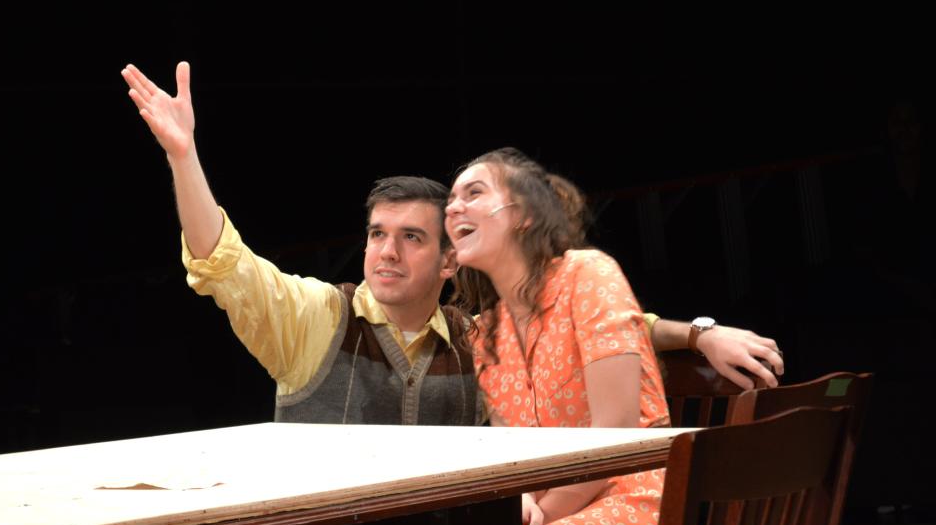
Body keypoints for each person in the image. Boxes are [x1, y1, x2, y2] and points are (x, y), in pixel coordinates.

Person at [121, 61, 783, 425]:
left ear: (449, 261)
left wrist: (699, 334)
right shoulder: (315, 319)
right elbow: (222, 263)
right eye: (377, 235)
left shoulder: (478, 335)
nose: (386, 251)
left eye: (411, 238)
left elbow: (610, 325)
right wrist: (184, 157)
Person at [446, 147, 679, 525]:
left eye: (474, 193)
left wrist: (541, 515)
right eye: (451, 200)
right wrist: (523, 500)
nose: (453, 209)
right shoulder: (487, 333)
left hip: (635, 501)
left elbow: (615, 436)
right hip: (558, 514)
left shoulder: (586, 275)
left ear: (524, 214)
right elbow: (522, 463)